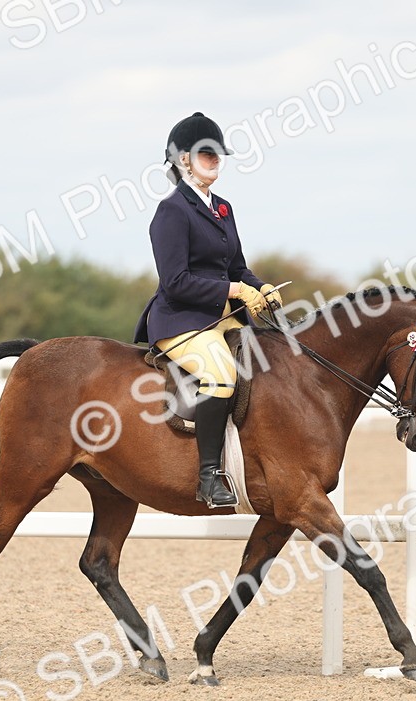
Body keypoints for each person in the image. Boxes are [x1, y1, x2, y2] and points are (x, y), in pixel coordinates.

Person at [133, 112, 283, 509]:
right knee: (221, 374)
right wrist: (235, 289)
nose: (216, 161)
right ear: (183, 160)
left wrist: (258, 286)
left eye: (219, 155)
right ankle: (209, 475)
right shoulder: (171, 212)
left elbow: (236, 266)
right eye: (206, 154)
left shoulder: (223, 208)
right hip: (181, 320)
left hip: (223, 318)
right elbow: (175, 282)